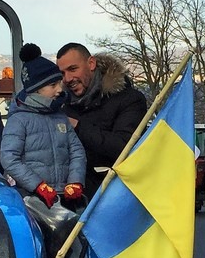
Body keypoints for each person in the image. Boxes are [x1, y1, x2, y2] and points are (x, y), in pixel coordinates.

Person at [1, 43, 100, 258]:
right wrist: (38, 186)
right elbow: (9, 159)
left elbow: (77, 152)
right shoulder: (19, 119)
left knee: (75, 237)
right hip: (34, 198)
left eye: (59, 83)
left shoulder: (60, 118)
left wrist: (75, 182)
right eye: (53, 85)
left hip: (62, 195)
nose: (60, 88)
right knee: (44, 243)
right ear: (35, 89)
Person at [55, 42, 148, 198]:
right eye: (62, 74)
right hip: (71, 198)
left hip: (115, 196)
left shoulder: (130, 100)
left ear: (91, 64)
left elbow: (124, 147)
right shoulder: (62, 104)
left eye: (72, 69)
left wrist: (78, 126)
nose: (68, 79)